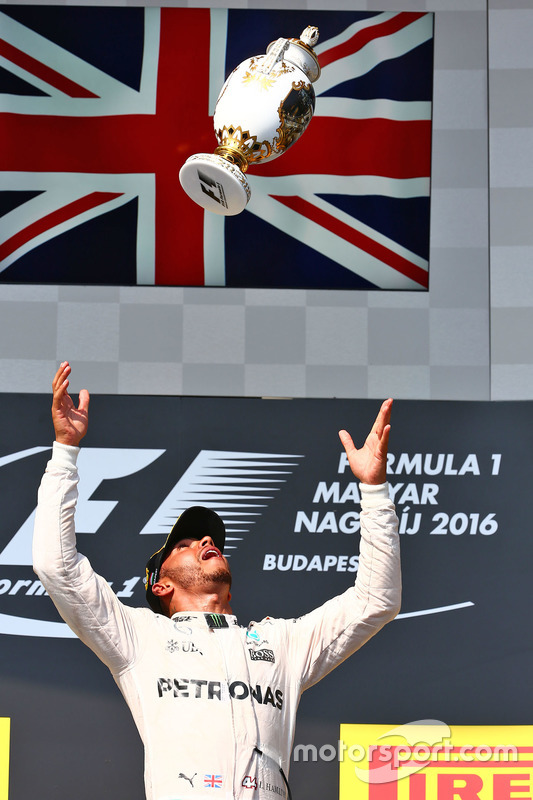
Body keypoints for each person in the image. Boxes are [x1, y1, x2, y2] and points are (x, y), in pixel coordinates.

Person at [33, 361, 401, 800]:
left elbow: (377, 599)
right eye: (185, 542)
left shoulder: (282, 643)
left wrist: (375, 491)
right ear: (160, 585)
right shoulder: (140, 637)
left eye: (209, 537)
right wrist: (65, 452)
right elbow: (57, 567)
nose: (207, 539)